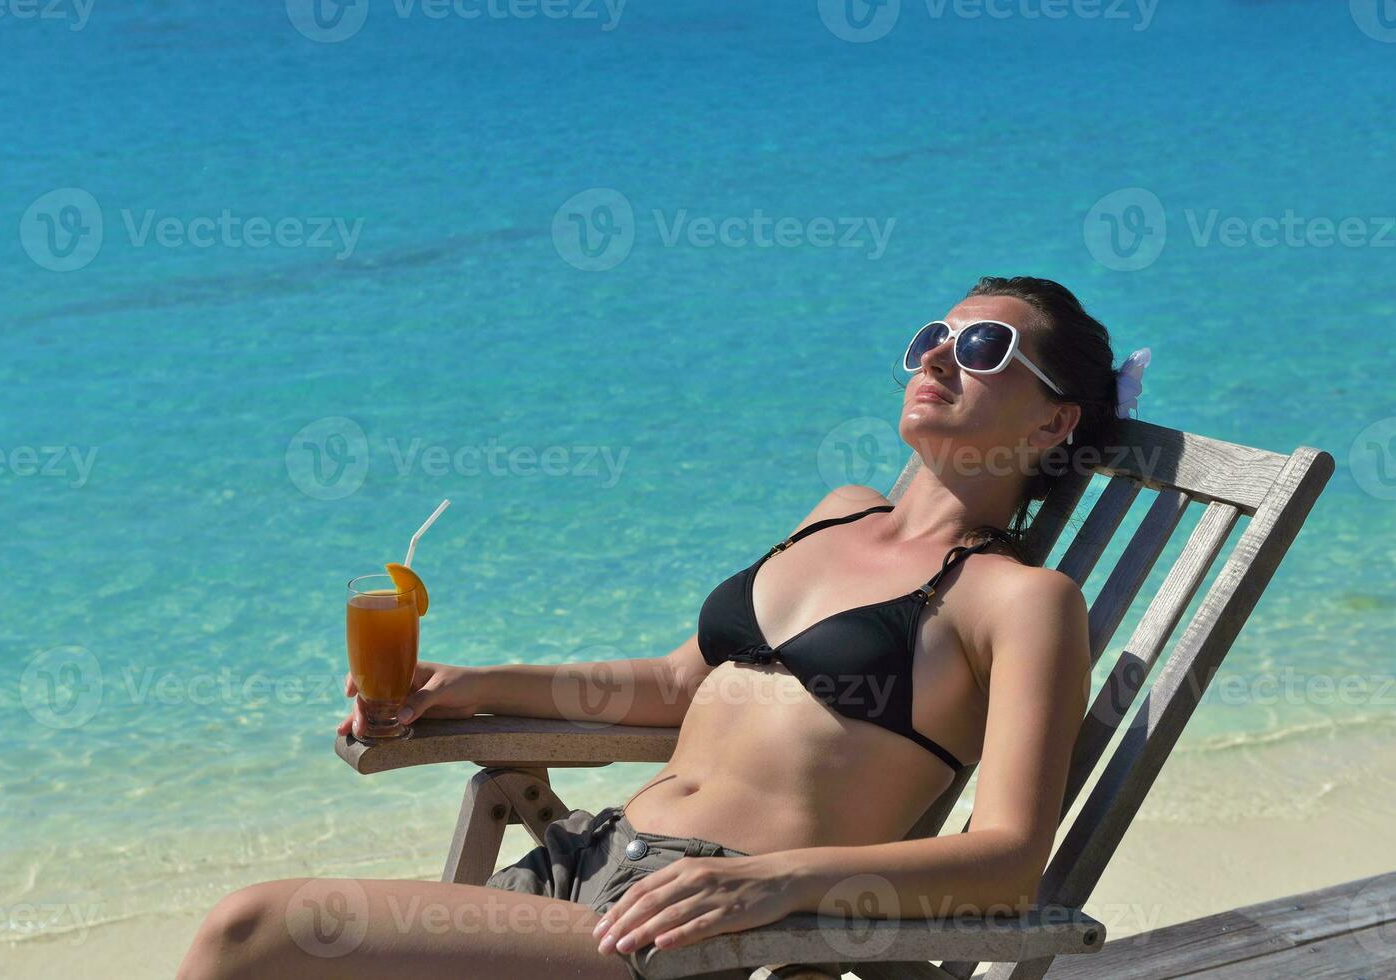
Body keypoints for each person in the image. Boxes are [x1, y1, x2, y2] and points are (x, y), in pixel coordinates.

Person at [179, 275, 1142, 980]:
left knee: (254, 933)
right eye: (934, 333)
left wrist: (779, 887)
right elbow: (679, 685)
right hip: (584, 861)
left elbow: (1011, 858)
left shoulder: (1019, 600)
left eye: (981, 350)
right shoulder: (838, 511)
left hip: (703, 921)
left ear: (1055, 423)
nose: (936, 354)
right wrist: (474, 684)